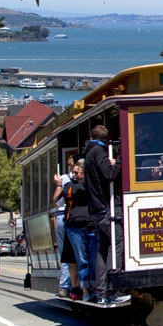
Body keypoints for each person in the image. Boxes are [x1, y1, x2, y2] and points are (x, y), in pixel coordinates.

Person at [83, 124, 130, 305]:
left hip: (95, 210)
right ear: (105, 139)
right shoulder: (98, 151)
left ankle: (101, 292)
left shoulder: (88, 153)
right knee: (117, 242)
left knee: (101, 251)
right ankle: (113, 288)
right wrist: (120, 159)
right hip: (104, 209)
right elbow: (109, 174)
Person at [59, 159, 98, 302]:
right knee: (82, 261)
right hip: (75, 228)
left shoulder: (92, 184)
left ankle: (95, 288)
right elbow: (67, 194)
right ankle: (85, 290)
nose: (73, 175)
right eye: (73, 172)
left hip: (92, 226)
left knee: (94, 260)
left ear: (85, 172)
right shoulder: (70, 186)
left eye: (77, 172)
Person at [51, 158, 74, 297]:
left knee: (66, 252)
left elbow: (56, 202)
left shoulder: (64, 179)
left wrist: (59, 185)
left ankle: (65, 286)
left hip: (63, 217)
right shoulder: (66, 179)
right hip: (65, 217)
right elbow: (57, 202)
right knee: (70, 252)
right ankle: (67, 285)